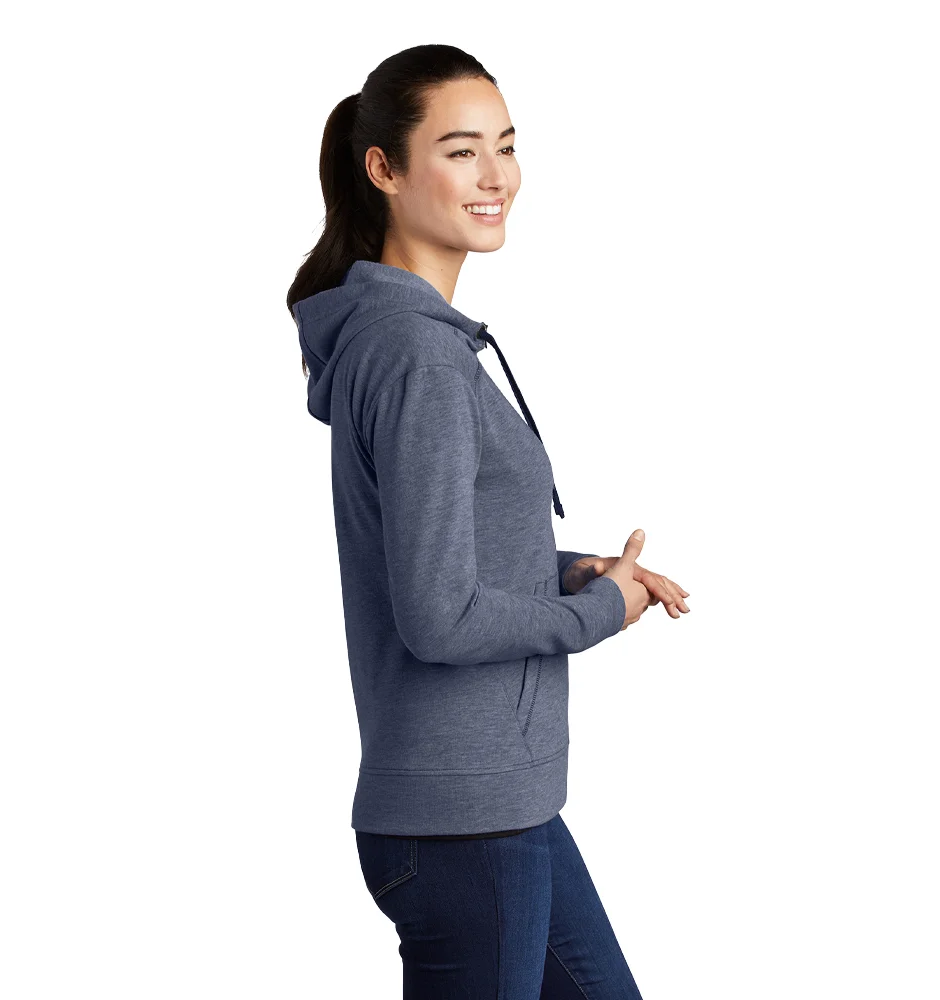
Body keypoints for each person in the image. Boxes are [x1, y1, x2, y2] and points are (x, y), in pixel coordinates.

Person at [287, 43, 690, 999]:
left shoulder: (410, 345)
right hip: (464, 823)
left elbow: (441, 556)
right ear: (384, 169)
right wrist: (602, 613)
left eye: (506, 147)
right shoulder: (417, 358)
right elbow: (440, 617)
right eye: (461, 151)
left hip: (500, 806)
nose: (496, 176)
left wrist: (572, 570)